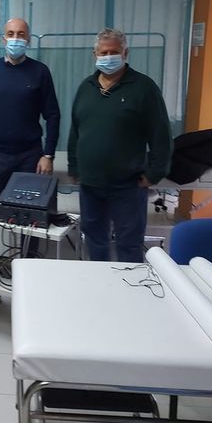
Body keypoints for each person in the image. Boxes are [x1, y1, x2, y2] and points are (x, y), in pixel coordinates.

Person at [0, 18, 61, 294]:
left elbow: (53, 115)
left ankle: (28, 266)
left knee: (30, 216)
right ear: (3, 38)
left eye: (21, 34)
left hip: (29, 155)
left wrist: (48, 154)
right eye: (10, 33)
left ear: (28, 39)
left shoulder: (40, 72)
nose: (15, 38)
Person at [67, 28, 172, 262]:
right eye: (103, 53)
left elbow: (161, 135)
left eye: (114, 52)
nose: (108, 57)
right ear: (95, 54)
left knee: (129, 244)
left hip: (128, 186)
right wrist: (74, 167)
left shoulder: (143, 88)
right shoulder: (86, 87)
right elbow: (76, 130)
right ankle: (101, 282)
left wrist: (154, 174)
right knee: (95, 240)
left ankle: (130, 285)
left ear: (125, 53)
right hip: (91, 185)